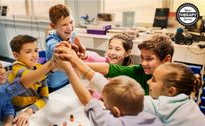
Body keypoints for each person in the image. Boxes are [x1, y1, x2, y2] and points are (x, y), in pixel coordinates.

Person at [54, 46, 205, 126]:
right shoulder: (187, 105)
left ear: (171, 91)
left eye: (153, 79)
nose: (148, 82)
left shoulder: (161, 106)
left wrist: (70, 67)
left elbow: (101, 91)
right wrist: (77, 62)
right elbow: (106, 80)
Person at [54, 55, 163, 126]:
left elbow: (87, 100)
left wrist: (69, 70)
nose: (103, 105)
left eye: (104, 104)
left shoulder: (110, 122)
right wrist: (77, 62)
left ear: (116, 112)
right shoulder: (153, 118)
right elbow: (100, 85)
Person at [0, 53, 54, 126]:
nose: (2, 71)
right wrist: (51, 65)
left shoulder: (2, 82)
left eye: (1, 67)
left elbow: (8, 106)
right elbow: (18, 86)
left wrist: (8, 123)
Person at [85, 34, 174, 95]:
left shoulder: (178, 81)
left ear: (166, 59)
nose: (143, 63)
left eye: (149, 59)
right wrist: (76, 62)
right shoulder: (139, 71)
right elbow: (110, 68)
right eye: (142, 58)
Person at [8, 35, 53, 124]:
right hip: (15, 115)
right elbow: (31, 76)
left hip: (30, 112)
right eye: (28, 52)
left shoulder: (39, 69)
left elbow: (44, 97)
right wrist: (52, 65)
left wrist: (29, 111)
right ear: (16, 55)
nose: (34, 55)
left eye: (36, 50)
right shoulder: (17, 68)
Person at [46, 4, 86, 92]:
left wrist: (82, 52)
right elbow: (56, 48)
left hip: (69, 78)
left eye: (71, 22)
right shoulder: (51, 39)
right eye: (64, 24)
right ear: (53, 26)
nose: (70, 28)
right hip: (56, 84)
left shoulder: (73, 34)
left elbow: (81, 50)